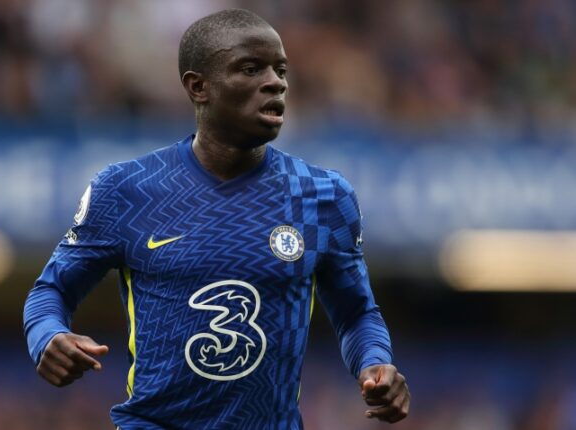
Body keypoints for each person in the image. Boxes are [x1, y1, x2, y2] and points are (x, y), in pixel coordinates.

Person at [23, 8, 409, 429]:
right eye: (251, 69)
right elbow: (51, 290)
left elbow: (356, 313)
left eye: (280, 70)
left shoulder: (323, 197)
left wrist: (375, 363)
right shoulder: (127, 190)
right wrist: (47, 337)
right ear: (198, 86)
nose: (276, 82)